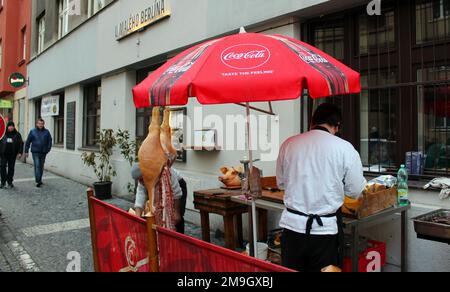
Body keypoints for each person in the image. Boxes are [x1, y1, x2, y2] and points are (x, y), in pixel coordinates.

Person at [277, 103, 366, 272]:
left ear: (312, 122)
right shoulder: (345, 149)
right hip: (324, 232)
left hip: (292, 228)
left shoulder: (289, 144)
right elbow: (355, 191)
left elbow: (281, 183)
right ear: (337, 126)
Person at [131, 163, 188, 234]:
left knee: (176, 217)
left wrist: (176, 211)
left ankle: (179, 239)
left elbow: (177, 192)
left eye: (141, 179)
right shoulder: (142, 179)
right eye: (139, 180)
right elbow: (140, 195)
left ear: (146, 174)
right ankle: (163, 236)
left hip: (178, 185)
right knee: (160, 212)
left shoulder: (164, 171)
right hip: (160, 187)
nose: (141, 182)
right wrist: (137, 217)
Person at [25, 119, 52, 188]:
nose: (40, 125)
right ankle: (38, 181)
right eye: (39, 123)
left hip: (43, 152)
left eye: (42, 124)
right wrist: (26, 151)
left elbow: (50, 141)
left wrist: (48, 149)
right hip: (35, 152)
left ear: (43, 124)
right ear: (37, 124)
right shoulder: (32, 131)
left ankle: (39, 179)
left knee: (41, 166)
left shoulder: (46, 132)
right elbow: (28, 141)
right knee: (37, 165)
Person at [0, 121, 24, 189]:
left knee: (11, 168)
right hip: (3, 154)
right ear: (7, 127)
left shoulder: (17, 134)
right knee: (2, 167)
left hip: (12, 155)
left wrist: (20, 152)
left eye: (12, 126)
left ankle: (10, 182)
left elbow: (21, 144)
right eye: (9, 126)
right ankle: (3, 182)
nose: (11, 127)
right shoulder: (2, 134)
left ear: (14, 127)